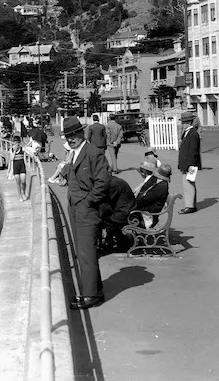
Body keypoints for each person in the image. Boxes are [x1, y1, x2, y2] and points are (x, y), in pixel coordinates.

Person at [63, 116, 110, 310]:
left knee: (86, 252)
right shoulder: (74, 153)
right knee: (83, 252)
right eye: (67, 135)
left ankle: (90, 295)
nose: (71, 138)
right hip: (76, 207)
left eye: (73, 134)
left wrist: (88, 202)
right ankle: (95, 289)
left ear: (81, 132)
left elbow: (103, 181)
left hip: (86, 209)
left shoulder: (93, 152)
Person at [99, 175, 137, 255]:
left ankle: (107, 244)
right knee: (104, 217)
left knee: (100, 220)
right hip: (125, 209)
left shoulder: (114, 184)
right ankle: (113, 242)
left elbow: (106, 201)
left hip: (125, 212)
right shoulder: (113, 181)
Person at [178, 112, 202, 214]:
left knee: (189, 184)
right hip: (186, 164)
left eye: (183, 123)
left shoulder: (193, 133)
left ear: (187, 123)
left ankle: (190, 206)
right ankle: (191, 204)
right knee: (187, 183)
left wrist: (189, 164)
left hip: (190, 165)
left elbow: (193, 151)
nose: (182, 125)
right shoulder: (187, 133)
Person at [135, 163, 172, 228]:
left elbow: (144, 200)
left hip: (147, 215)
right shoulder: (157, 181)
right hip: (146, 210)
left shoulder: (161, 187)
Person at [7, 136, 27, 201]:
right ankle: (20, 196)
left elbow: (26, 154)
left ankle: (23, 193)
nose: (17, 144)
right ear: (13, 143)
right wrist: (15, 151)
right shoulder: (11, 150)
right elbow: (12, 158)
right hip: (15, 167)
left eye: (18, 142)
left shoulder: (22, 149)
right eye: (15, 142)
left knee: (23, 181)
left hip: (22, 166)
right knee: (18, 182)